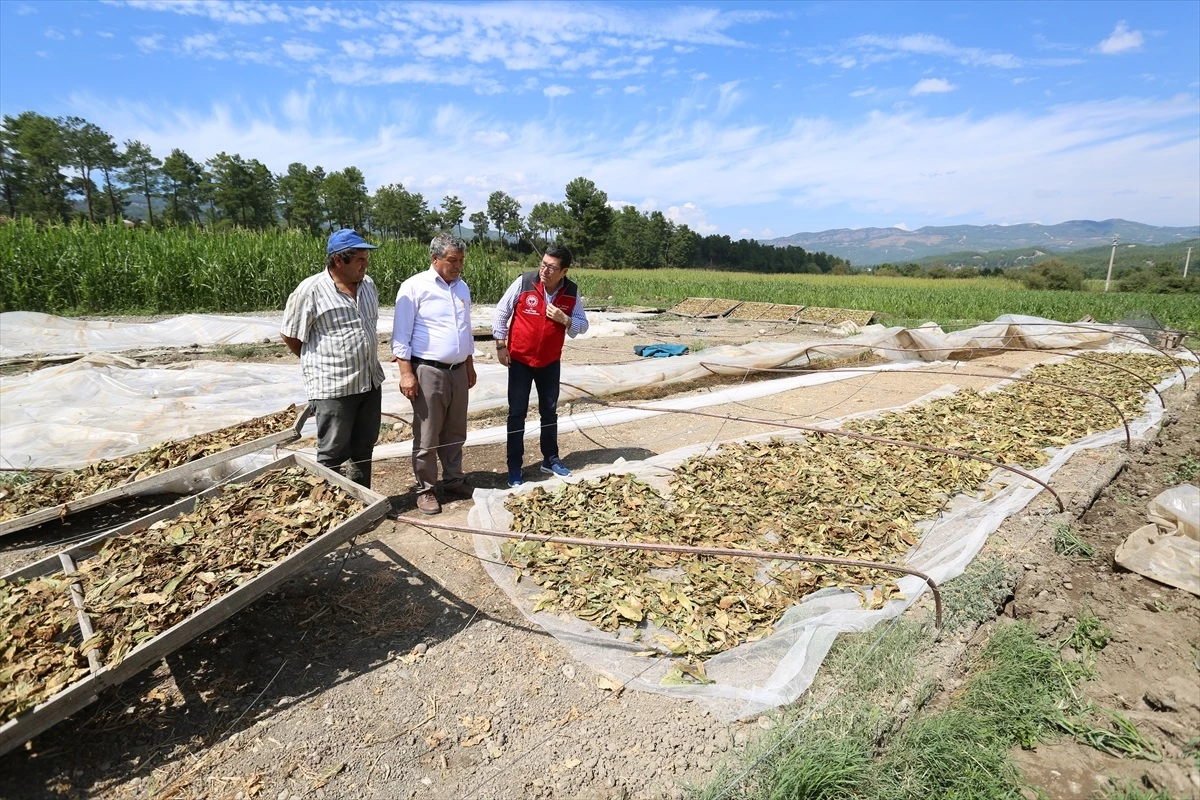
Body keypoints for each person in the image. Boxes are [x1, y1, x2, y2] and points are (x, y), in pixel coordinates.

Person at [280, 229, 385, 488]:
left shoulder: (368, 285)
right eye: (360, 259)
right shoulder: (310, 291)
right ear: (339, 261)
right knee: (332, 454)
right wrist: (322, 364)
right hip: (333, 388)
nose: (366, 264)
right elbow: (291, 336)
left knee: (364, 449)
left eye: (366, 258)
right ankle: (334, 509)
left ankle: (362, 501)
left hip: (369, 382)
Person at [392, 233, 477, 515]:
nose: (458, 266)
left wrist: (469, 364)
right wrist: (407, 374)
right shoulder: (415, 287)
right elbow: (401, 337)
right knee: (427, 434)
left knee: (455, 430)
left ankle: (453, 479)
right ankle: (426, 489)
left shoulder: (462, 288)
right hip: (429, 371)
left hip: (457, 371)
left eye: (461, 260)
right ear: (435, 258)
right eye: (453, 260)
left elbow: (466, 330)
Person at [492, 244, 588, 487]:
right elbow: (501, 312)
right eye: (543, 264)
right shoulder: (524, 282)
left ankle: (550, 458)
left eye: (552, 267)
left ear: (564, 271)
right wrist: (501, 346)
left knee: (549, 410)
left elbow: (582, 325)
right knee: (517, 414)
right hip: (521, 361)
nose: (544, 270)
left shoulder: (571, 292)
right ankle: (514, 467)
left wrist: (564, 319)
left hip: (549, 362)